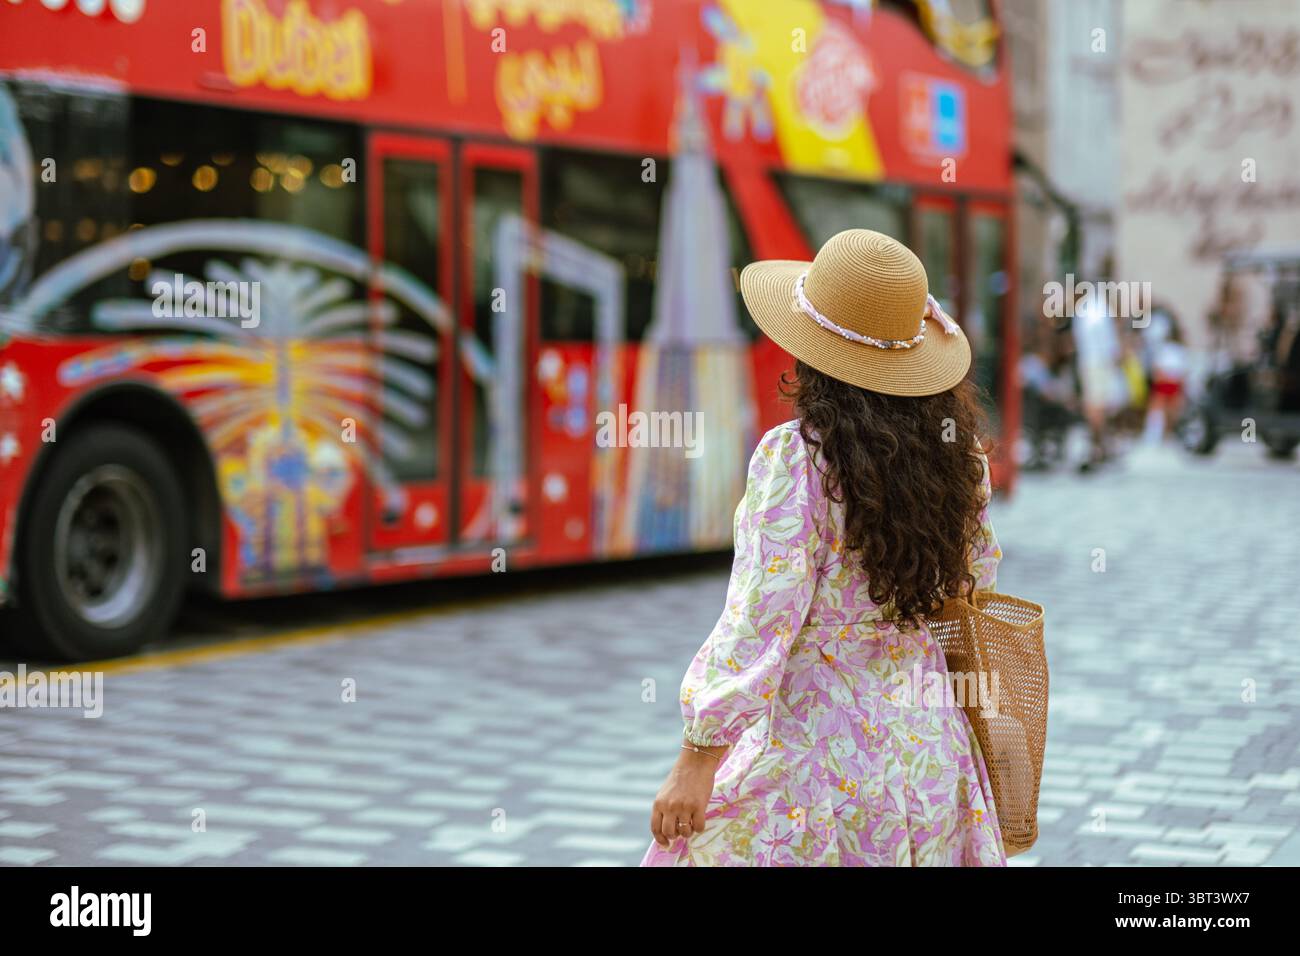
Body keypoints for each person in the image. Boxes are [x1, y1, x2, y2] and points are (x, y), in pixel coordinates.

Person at [641, 229, 1007, 867]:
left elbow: (762, 619)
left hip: (817, 769)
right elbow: (973, 583)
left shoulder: (799, 461)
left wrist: (697, 758)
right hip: (929, 759)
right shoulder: (962, 458)